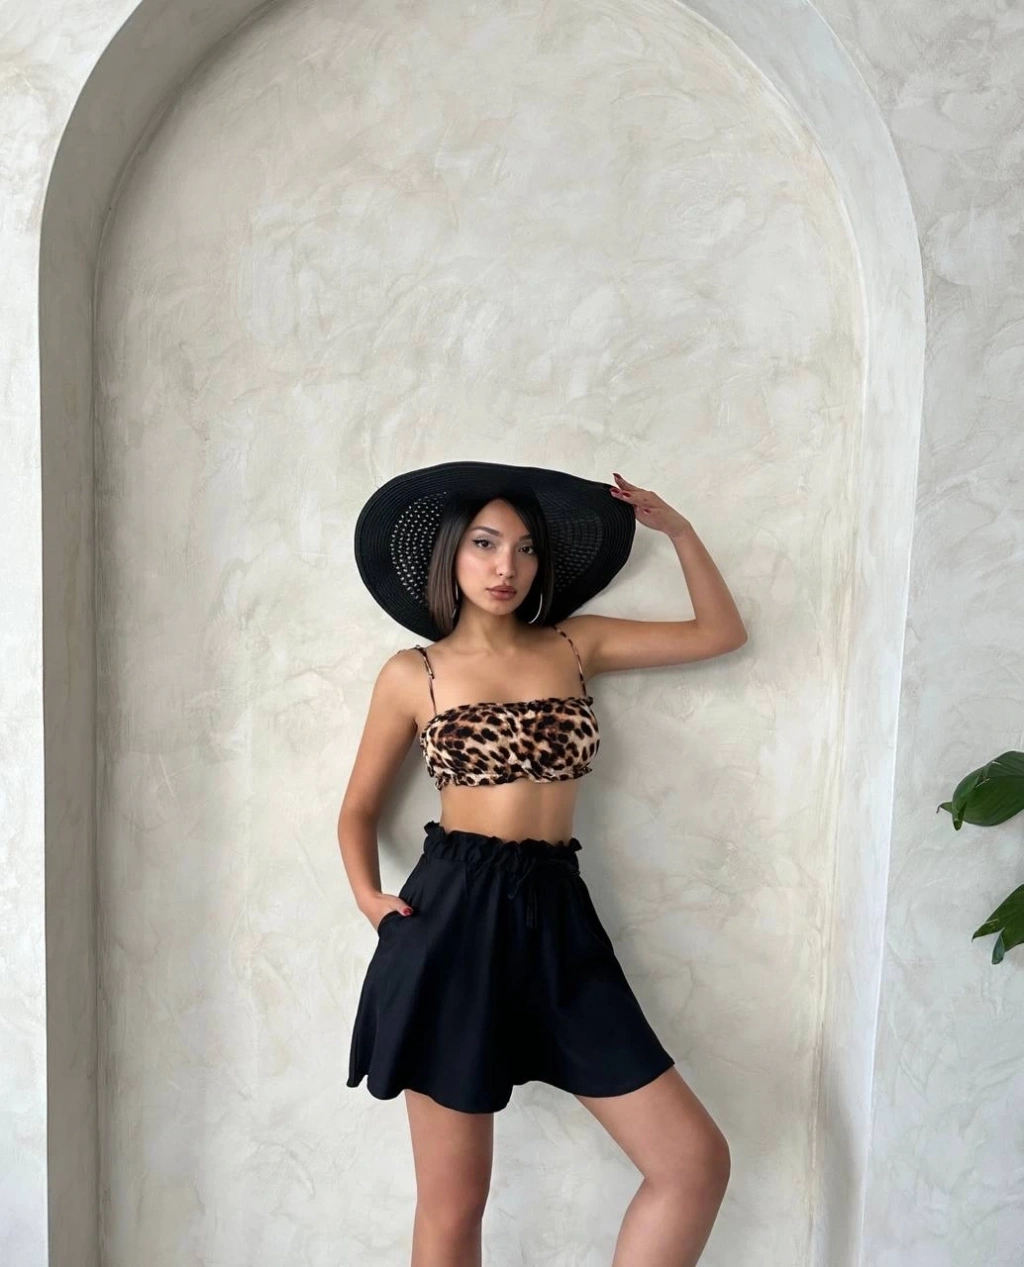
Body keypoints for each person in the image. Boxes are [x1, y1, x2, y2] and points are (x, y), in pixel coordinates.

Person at [339, 460, 747, 1267]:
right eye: (486, 544)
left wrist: (680, 531)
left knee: (692, 1162)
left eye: (525, 549)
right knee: (454, 1205)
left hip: (559, 912)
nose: (507, 566)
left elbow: (719, 632)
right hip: (451, 920)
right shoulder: (413, 672)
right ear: (451, 553)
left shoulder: (574, 643)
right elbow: (357, 809)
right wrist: (368, 897)